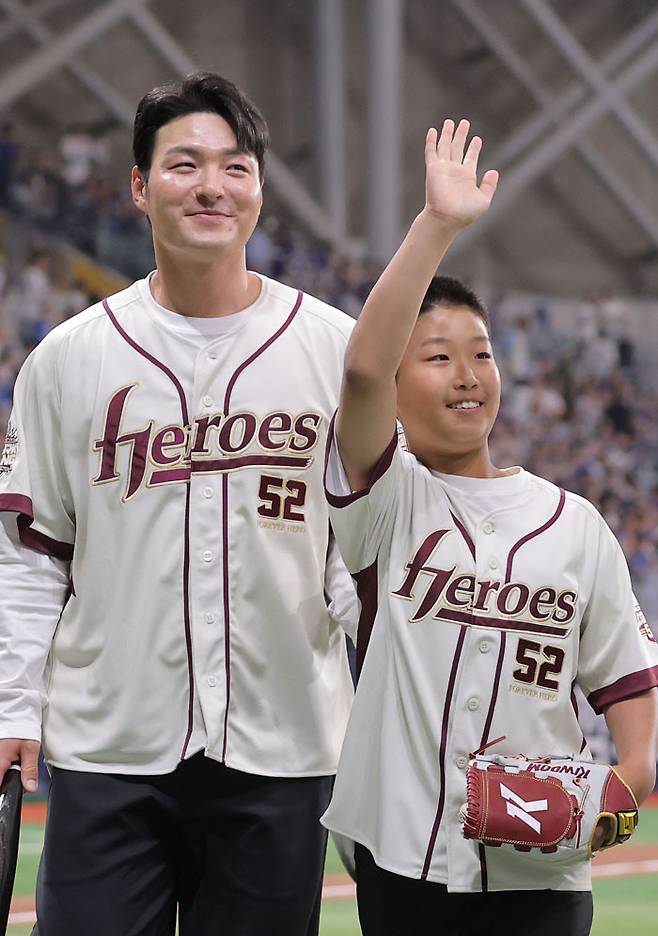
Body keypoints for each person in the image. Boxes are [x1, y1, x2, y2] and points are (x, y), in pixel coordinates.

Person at [0, 72, 358, 936]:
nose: (210, 186)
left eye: (235, 167)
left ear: (260, 190)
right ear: (138, 186)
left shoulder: (336, 350)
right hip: (110, 745)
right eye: (184, 164)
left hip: (284, 747)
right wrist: (13, 707)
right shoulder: (70, 358)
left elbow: (363, 551)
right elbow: (30, 553)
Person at [320, 119, 658, 936]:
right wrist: (438, 224)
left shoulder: (574, 525)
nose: (468, 375)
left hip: (541, 872)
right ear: (399, 387)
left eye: (482, 353)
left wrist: (626, 783)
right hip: (402, 853)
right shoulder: (384, 501)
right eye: (437, 357)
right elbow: (362, 365)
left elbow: (628, 686)